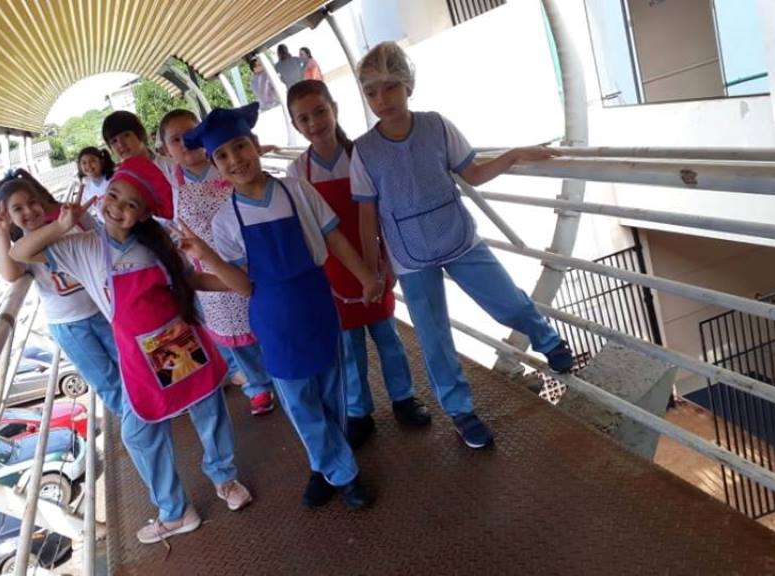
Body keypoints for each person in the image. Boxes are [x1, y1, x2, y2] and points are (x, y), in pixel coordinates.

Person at [8, 157, 252, 543]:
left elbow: (191, 281)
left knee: (209, 408)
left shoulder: (160, 243)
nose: (117, 207)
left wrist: (237, 280)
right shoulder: (82, 247)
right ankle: (175, 510)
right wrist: (60, 225)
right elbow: (20, 254)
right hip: (140, 357)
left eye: (131, 204)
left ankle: (225, 479)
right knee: (139, 434)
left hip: (181, 340)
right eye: (115, 195)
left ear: (143, 214)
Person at [350, 41, 576, 450]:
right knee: (434, 337)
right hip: (408, 255)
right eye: (371, 91)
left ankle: (547, 339)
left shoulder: (437, 126)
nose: (381, 99)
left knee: (506, 300)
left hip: (457, 237)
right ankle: (460, 411)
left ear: (408, 86)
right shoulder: (364, 152)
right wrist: (373, 270)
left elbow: (472, 172)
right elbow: (366, 218)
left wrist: (514, 155)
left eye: (390, 87)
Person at [183, 102, 382, 510]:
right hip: (272, 318)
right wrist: (207, 255)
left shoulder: (297, 189)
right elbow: (241, 287)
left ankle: (324, 465)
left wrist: (366, 276)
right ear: (214, 164)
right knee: (297, 401)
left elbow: (335, 239)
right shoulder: (225, 220)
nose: (234, 160)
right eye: (222, 155)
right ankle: (344, 473)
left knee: (332, 394)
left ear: (255, 145)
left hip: (316, 305)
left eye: (240, 147)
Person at [286, 80, 431, 450]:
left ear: (334, 108)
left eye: (320, 111)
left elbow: (385, 213)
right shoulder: (297, 173)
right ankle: (358, 411)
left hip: (374, 264)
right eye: (304, 117)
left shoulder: (362, 157)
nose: (315, 122)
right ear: (295, 123)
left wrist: (390, 263)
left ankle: (403, 398)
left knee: (389, 340)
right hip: (332, 275)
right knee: (348, 349)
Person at [159, 109, 276, 416]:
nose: (187, 143)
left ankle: (279, 373)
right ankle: (258, 386)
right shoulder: (170, 186)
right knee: (238, 341)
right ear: (165, 150)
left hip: (250, 260)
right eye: (176, 140)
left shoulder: (228, 165)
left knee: (266, 323)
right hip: (210, 275)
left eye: (192, 133)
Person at [0, 170, 126, 417]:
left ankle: (146, 410)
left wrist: (78, 218)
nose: (29, 211)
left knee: (129, 366)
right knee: (107, 382)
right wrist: (1, 234)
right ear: (8, 218)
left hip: (103, 311)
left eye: (32, 203)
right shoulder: (23, 246)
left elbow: (100, 238)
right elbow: (10, 274)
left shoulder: (67, 227)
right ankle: (135, 422)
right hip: (69, 325)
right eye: (17, 209)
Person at [76, 146, 115, 221]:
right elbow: (83, 210)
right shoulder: (86, 189)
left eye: (92, 161)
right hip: (108, 228)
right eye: (84, 163)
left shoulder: (114, 179)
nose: (88, 165)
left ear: (102, 161)